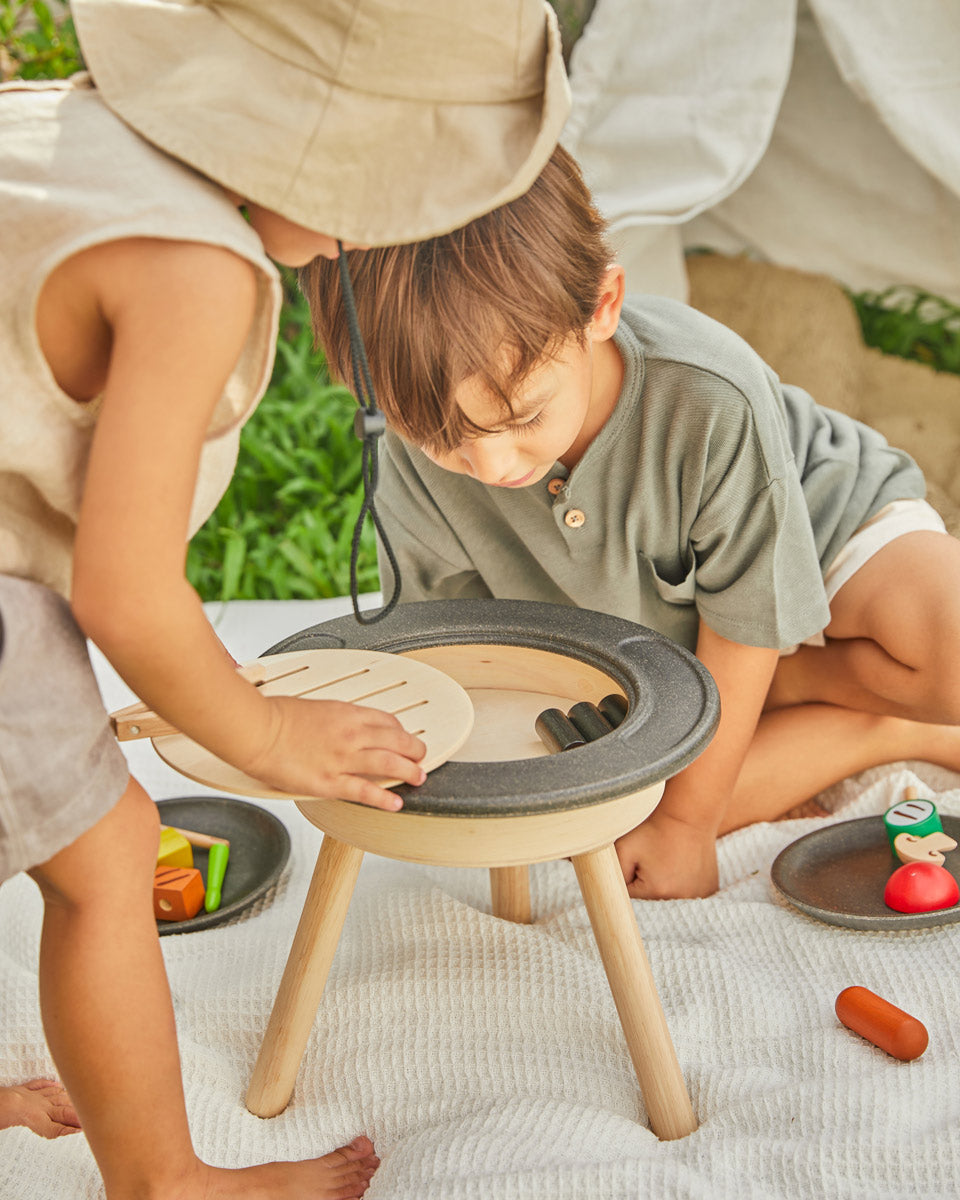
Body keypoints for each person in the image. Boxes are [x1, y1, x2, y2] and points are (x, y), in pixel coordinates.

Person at [0, 1, 569, 1195]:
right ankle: (166, 1181)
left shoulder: (54, 133)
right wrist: (265, 732)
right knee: (107, 855)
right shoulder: (192, 270)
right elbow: (123, 592)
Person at [301, 144, 960, 903]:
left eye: (523, 416)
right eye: (444, 439)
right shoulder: (415, 453)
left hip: (816, 523)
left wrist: (688, 826)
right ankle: (890, 729)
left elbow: (745, 622)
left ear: (601, 307)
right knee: (584, 824)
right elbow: (455, 649)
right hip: (639, 642)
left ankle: (756, 695)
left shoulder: (709, 393)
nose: (490, 466)